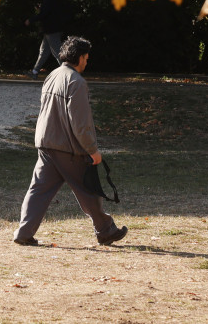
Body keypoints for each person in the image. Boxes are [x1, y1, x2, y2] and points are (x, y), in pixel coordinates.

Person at [13, 36, 127, 247]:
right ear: (80, 57)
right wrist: (93, 150)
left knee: (38, 190)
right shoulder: (77, 82)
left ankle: (23, 232)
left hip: (45, 143)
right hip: (67, 148)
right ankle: (105, 230)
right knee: (88, 189)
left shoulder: (53, 75)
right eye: (86, 57)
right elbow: (80, 123)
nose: (87, 61)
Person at [26, 0, 69, 79]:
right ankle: (35, 71)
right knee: (44, 51)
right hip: (52, 29)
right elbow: (49, 12)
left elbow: (44, 14)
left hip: (51, 29)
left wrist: (31, 20)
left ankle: (68, 73)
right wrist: (41, 10)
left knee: (57, 52)